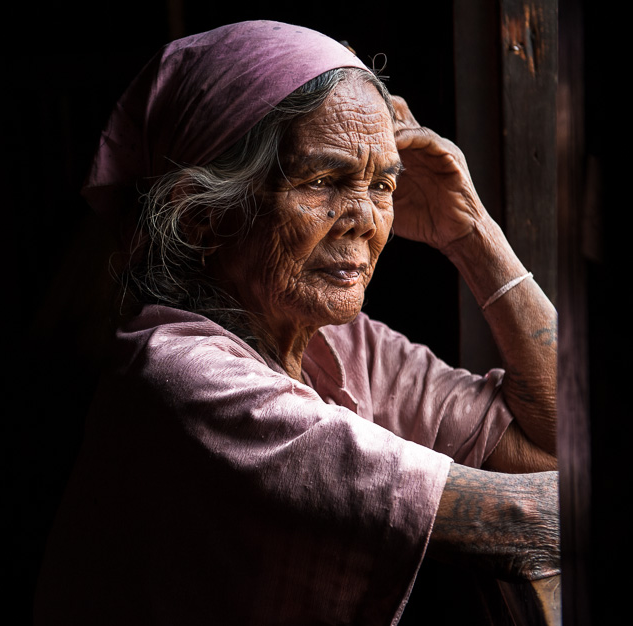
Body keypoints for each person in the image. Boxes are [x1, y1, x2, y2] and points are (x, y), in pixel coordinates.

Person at [34, 20, 560, 625]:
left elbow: (553, 445)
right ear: (201, 216)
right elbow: (526, 522)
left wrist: (473, 232)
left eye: (382, 184)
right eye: (322, 181)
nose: (364, 217)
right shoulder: (182, 377)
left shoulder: (338, 344)